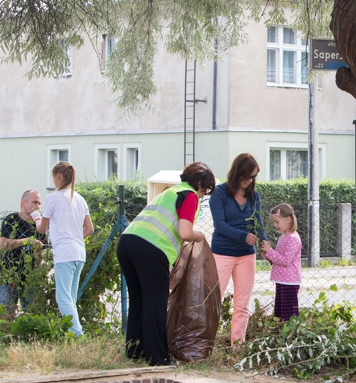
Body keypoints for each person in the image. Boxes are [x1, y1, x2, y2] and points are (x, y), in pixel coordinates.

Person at [117, 162, 215, 366]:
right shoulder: (189, 195)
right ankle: (158, 357)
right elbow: (185, 232)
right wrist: (199, 235)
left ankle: (135, 350)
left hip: (127, 243)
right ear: (199, 184)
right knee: (155, 303)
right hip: (151, 249)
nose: (202, 196)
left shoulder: (170, 192)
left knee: (139, 300)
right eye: (204, 191)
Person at [209, 153, 265, 345]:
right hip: (222, 253)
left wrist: (264, 243)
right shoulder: (219, 193)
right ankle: (205, 346)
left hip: (246, 255)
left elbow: (259, 223)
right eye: (247, 176)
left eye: (253, 177)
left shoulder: (254, 196)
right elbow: (219, 225)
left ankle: (237, 348)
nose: (250, 180)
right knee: (213, 301)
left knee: (242, 305)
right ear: (237, 173)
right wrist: (243, 236)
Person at [33, 162, 94, 336]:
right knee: (70, 298)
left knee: (63, 298)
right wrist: (74, 236)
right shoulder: (80, 198)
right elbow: (89, 229)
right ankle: (73, 333)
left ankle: (77, 334)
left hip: (64, 253)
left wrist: (36, 217)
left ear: (58, 176)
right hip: (79, 252)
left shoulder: (52, 198)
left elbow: (42, 229)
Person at [0, 190, 49, 313]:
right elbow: (2, 245)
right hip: (9, 276)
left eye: (39, 203)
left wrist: (42, 265)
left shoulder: (38, 225)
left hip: (30, 279)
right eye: (34, 202)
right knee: (5, 315)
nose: (37, 206)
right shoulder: (11, 220)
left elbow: (40, 253)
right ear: (23, 204)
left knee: (32, 315)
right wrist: (27, 241)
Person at [261, 203, 302, 321]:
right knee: (279, 313)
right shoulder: (283, 238)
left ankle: (290, 331)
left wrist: (270, 251)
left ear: (288, 220)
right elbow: (278, 259)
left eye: (277, 221)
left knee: (288, 315)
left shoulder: (293, 239)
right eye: (274, 222)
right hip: (281, 280)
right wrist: (267, 256)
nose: (275, 225)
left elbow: (285, 261)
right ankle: (281, 330)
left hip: (289, 282)